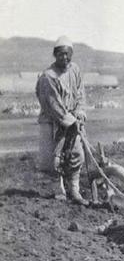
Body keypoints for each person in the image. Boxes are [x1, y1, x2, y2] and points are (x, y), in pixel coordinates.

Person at [35, 36, 89, 205]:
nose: (64, 57)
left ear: (71, 54)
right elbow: (53, 105)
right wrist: (70, 120)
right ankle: (58, 190)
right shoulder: (48, 77)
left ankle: (74, 189)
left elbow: (80, 93)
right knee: (53, 157)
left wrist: (79, 112)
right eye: (60, 54)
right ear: (55, 55)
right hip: (52, 121)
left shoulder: (75, 70)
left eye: (67, 54)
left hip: (71, 119)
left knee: (77, 154)